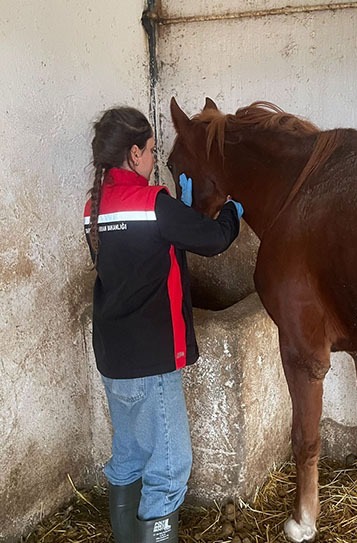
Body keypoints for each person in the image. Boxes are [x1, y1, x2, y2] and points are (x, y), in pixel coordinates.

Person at [83, 106, 243, 543]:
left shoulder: (93, 207)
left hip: (113, 356)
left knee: (128, 456)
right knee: (170, 469)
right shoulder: (154, 203)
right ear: (134, 154)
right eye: (152, 151)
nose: (154, 159)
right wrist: (231, 210)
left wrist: (181, 212)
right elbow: (214, 240)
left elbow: (142, 255)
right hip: (151, 358)